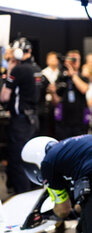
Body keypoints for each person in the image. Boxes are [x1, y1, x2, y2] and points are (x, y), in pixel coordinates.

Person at [0, 37, 41, 194]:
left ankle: (22, 195)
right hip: (33, 119)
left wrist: (10, 68)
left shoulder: (18, 70)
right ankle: (34, 193)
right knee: (32, 157)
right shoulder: (37, 68)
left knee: (18, 159)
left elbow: (4, 96)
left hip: (21, 122)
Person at [50, 50, 90, 140]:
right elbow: (56, 101)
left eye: (75, 59)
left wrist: (73, 75)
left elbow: (84, 89)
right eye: (71, 59)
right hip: (64, 121)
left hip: (79, 121)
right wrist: (52, 92)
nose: (73, 62)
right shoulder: (61, 78)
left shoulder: (83, 77)